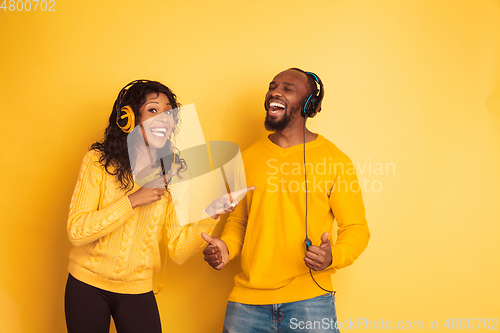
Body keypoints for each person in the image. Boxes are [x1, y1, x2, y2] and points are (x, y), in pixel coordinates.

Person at [65, 79, 252, 333]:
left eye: (168, 113)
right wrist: (132, 200)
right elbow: (77, 232)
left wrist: (210, 212)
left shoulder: (175, 173)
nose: (163, 118)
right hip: (86, 285)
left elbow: (178, 251)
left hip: (138, 288)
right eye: (153, 110)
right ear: (128, 118)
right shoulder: (98, 163)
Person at [202, 69, 370, 332]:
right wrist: (226, 248)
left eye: (287, 88)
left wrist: (333, 256)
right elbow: (239, 220)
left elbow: (356, 228)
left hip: (310, 301)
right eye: (272, 87)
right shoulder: (246, 158)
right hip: (246, 304)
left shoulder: (336, 160)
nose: (275, 92)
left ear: (308, 104)